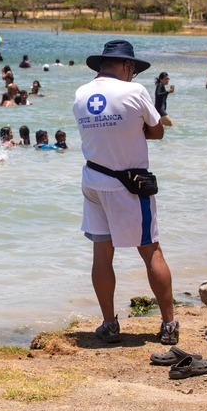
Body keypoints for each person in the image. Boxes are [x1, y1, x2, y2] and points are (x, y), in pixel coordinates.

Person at [71, 39, 178, 345]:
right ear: (127, 66)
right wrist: (135, 129)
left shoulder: (81, 94)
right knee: (151, 250)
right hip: (128, 185)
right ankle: (169, 323)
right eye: (133, 69)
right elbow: (157, 131)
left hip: (93, 180)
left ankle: (109, 324)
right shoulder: (134, 92)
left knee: (102, 253)